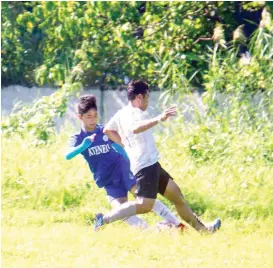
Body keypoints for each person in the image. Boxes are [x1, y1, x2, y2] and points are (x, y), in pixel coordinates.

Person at [97, 80, 221, 233]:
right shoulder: (133, 113)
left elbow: (108, 130)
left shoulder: (121, 113)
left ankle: (204, 230)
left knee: (177, 197)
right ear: (140, 97)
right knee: (144, 205)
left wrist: (124, 144)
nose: (148, 101)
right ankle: (104, 219)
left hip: (153, 164)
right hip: (144, 167)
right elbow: (136, 128)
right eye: (147, 97)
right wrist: (159, 119)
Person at [66, 94, 186, 230]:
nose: (93, 119)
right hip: (107, 179)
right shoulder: (78, 137)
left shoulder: (104, 130)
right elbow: (68, 155)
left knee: (143, 198)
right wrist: (83, 146)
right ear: (80, 117)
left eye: (95, 115)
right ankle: (151, 232)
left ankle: (177, 224)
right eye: (88, 116)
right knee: (121, 211)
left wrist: (133, 163)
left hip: (122, 169)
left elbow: (122, 146)